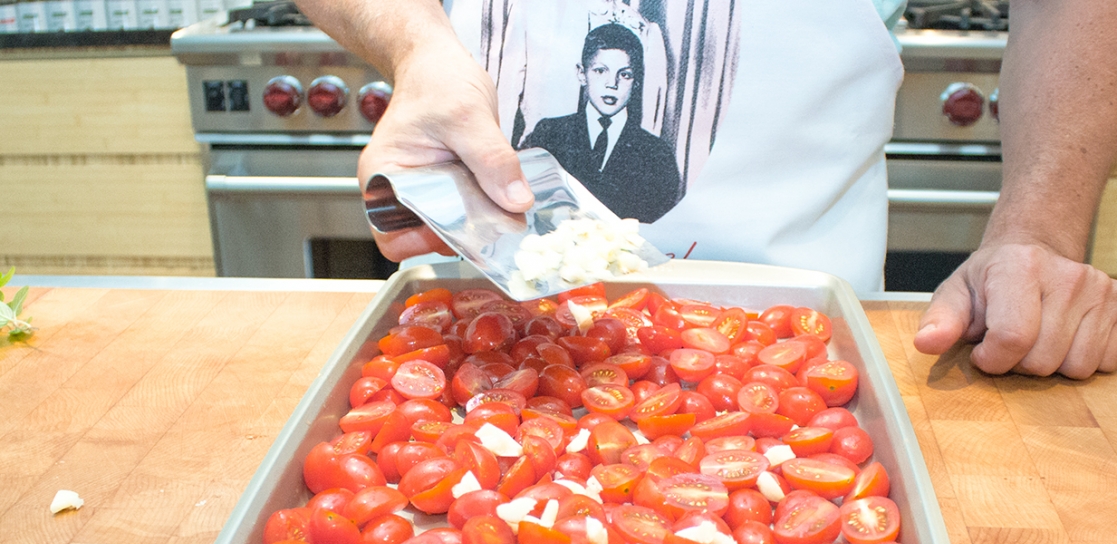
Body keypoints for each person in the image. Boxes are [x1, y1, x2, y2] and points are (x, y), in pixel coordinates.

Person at [296, 0, 1117, 379]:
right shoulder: (555, 141)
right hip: (488, 333)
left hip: (798, 345)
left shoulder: (654, 153)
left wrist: (1036, 231)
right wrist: (414, 44)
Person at [520, 22, 681, 222]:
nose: (612, 84)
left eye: (624, 75)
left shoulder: (657, 154)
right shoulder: (549, 133)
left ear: (637, 81)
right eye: (600, 71)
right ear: (581, 73)